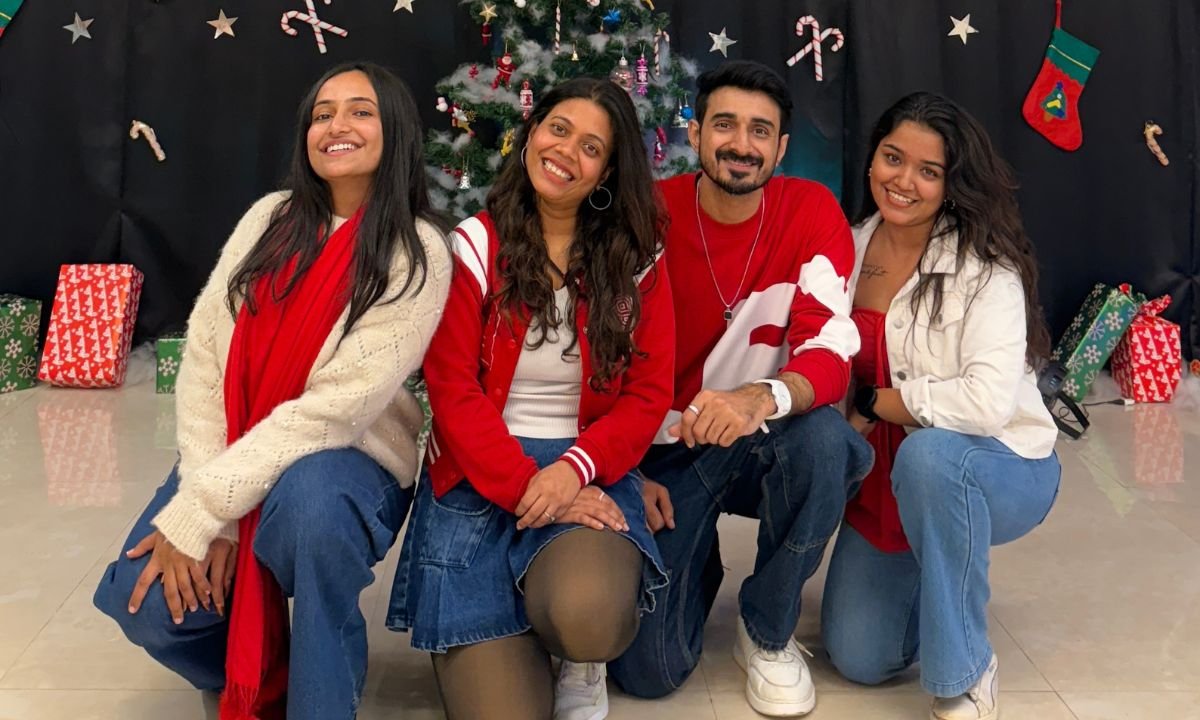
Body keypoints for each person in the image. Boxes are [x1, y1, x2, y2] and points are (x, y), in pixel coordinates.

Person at [92, 62, 452, 720]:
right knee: (142, 603)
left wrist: (210, 507)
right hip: (236, 445)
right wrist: (213, 504)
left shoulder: (416, 250)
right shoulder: (269, 219)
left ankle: (320, 696)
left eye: (361, 111)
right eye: (322, 114)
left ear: (395, 129)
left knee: (311, 513)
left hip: (349, 460)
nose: (337, 125)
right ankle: (255, 665)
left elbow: (335, 410)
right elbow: (206, 355)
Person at [386, 77, 674, 720]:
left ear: (607, 171)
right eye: (558, 129)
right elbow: (452, 389)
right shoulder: (474, 244)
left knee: (588, 619)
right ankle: (526, 631)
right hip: (478, 473)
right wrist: (525, 485)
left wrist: (571, 473)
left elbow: (648, 392)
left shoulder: (638, 255)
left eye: (591, 147)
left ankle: (575, 652)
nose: (566, 151)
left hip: (586, 467)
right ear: (531, 133)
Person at [608, 60, 873, 717]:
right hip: (665, 454)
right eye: (724, 124)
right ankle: (693, 558)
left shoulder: (809, 210)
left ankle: (767, 631)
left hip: (763, 440)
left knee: (825, 441)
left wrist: (760, 397)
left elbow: (829, 347)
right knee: (647, 673)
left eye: (760, 130)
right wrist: (624, 472)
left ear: (781, 148)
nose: (741, 144)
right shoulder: (648, 215)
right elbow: (602, 360)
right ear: (695, 133)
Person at [820, 91, 1062, 720]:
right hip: (883, 476)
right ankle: (937, 574)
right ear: (872, 157)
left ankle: (965, 671)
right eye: (893, 158)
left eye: (928, 171)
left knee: (931, 458)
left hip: (997, 463)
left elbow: (984, 405)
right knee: (860, 658)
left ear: (952, 184)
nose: (904, 181)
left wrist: (878, 402)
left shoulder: (985, 269)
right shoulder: (845, 248)